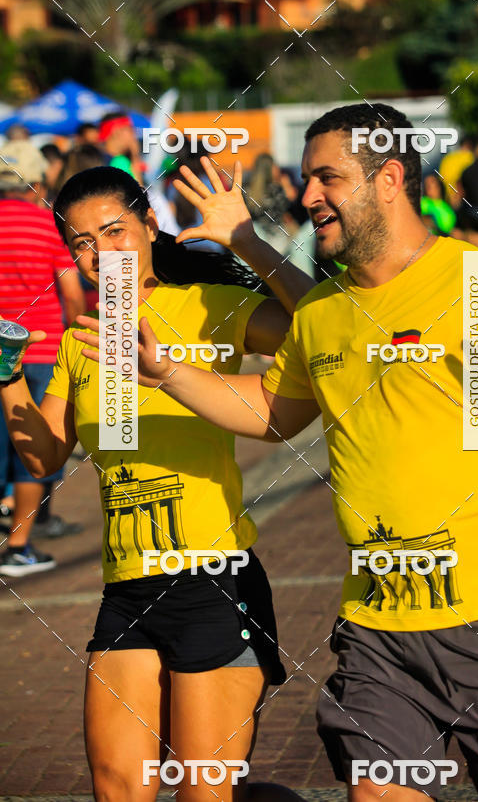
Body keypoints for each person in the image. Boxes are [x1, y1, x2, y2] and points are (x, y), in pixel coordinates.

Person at [122, 102, 478, 802]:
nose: (307, 194)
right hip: (378, 628)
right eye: (307, 179)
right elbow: (272, 412)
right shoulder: (322, 311)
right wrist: (170, 373)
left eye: (327, 178)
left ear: (389, 179)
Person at [0, 162, 314, 801]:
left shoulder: (206, 305)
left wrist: (248, 245)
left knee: (204, 792)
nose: (98, 254)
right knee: (118, 787)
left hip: (212, 583)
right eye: (81, 243)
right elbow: (45, 455)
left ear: (150, 225)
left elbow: (332, 330)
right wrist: (7, 374)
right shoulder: (81, 340)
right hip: (126, 592)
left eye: (113, 231)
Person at [0, 141, 86, 572]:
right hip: (41, 349)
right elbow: (72, 296)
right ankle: (18, 545)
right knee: (31, 447)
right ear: (36, 184)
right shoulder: (48, 225)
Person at [438, 134, 474, 208]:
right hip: (464, 198)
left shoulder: (447, 158)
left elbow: (441, 178)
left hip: (448, 197)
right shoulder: (471, 157)